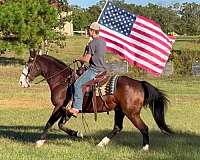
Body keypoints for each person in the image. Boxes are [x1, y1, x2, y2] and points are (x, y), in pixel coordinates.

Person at [68, 22, 107, 117]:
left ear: (93, 31)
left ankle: (76, 108)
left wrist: (78, 59)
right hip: (102, 68)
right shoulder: (102, 41)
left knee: (77, 83)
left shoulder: (93, 43)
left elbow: (87, 59)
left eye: (89, 29)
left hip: (95, 69)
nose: (87, 31)